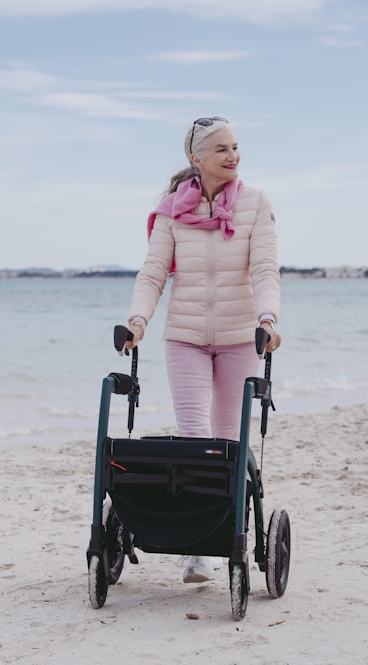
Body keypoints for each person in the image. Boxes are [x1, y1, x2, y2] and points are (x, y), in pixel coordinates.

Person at [123, 116, 282, 584]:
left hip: (239, 337)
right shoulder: (172, 211)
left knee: (228, 441)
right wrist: (137, 321)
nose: (233, 156)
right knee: (195, 439)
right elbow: (153, 273)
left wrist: (268, 319)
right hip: (185, 337)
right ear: (197, 158)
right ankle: (198, 551)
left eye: (235, 147)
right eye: (221, 150)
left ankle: (225, 533)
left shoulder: (256, 204)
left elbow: (265, 269)